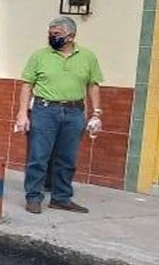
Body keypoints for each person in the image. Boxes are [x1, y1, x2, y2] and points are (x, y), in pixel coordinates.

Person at [13, 17, 104, 214]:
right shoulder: (39, 56)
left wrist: (96, 114)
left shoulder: (88, 57)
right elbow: (27, 85)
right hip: (45, 110)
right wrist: (22, 114)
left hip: (74, 112)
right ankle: (34, 197)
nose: (51, 37)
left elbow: (93, 85)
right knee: (39, 156)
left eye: (56, 34)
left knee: (67, 158)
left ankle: (61, 198)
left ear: (71, 36)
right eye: (50, 33)